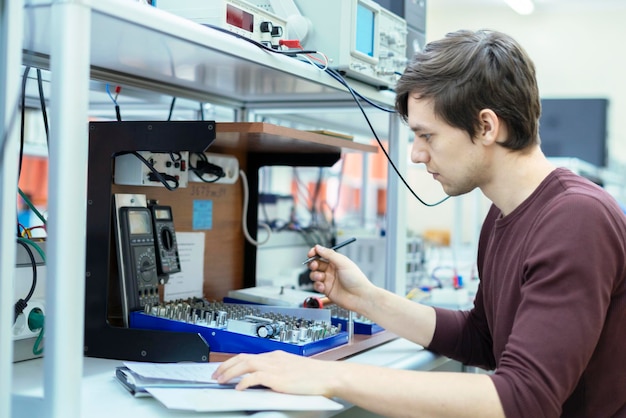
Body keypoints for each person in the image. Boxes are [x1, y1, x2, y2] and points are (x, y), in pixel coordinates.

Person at [213, 29, 626, 417]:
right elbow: (481, 338)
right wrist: (369, 300)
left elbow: (524, 399)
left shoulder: (576, 219)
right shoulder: (505, 214)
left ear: (486, 126)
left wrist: (328, 376)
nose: (415, 154)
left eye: (427, 136)